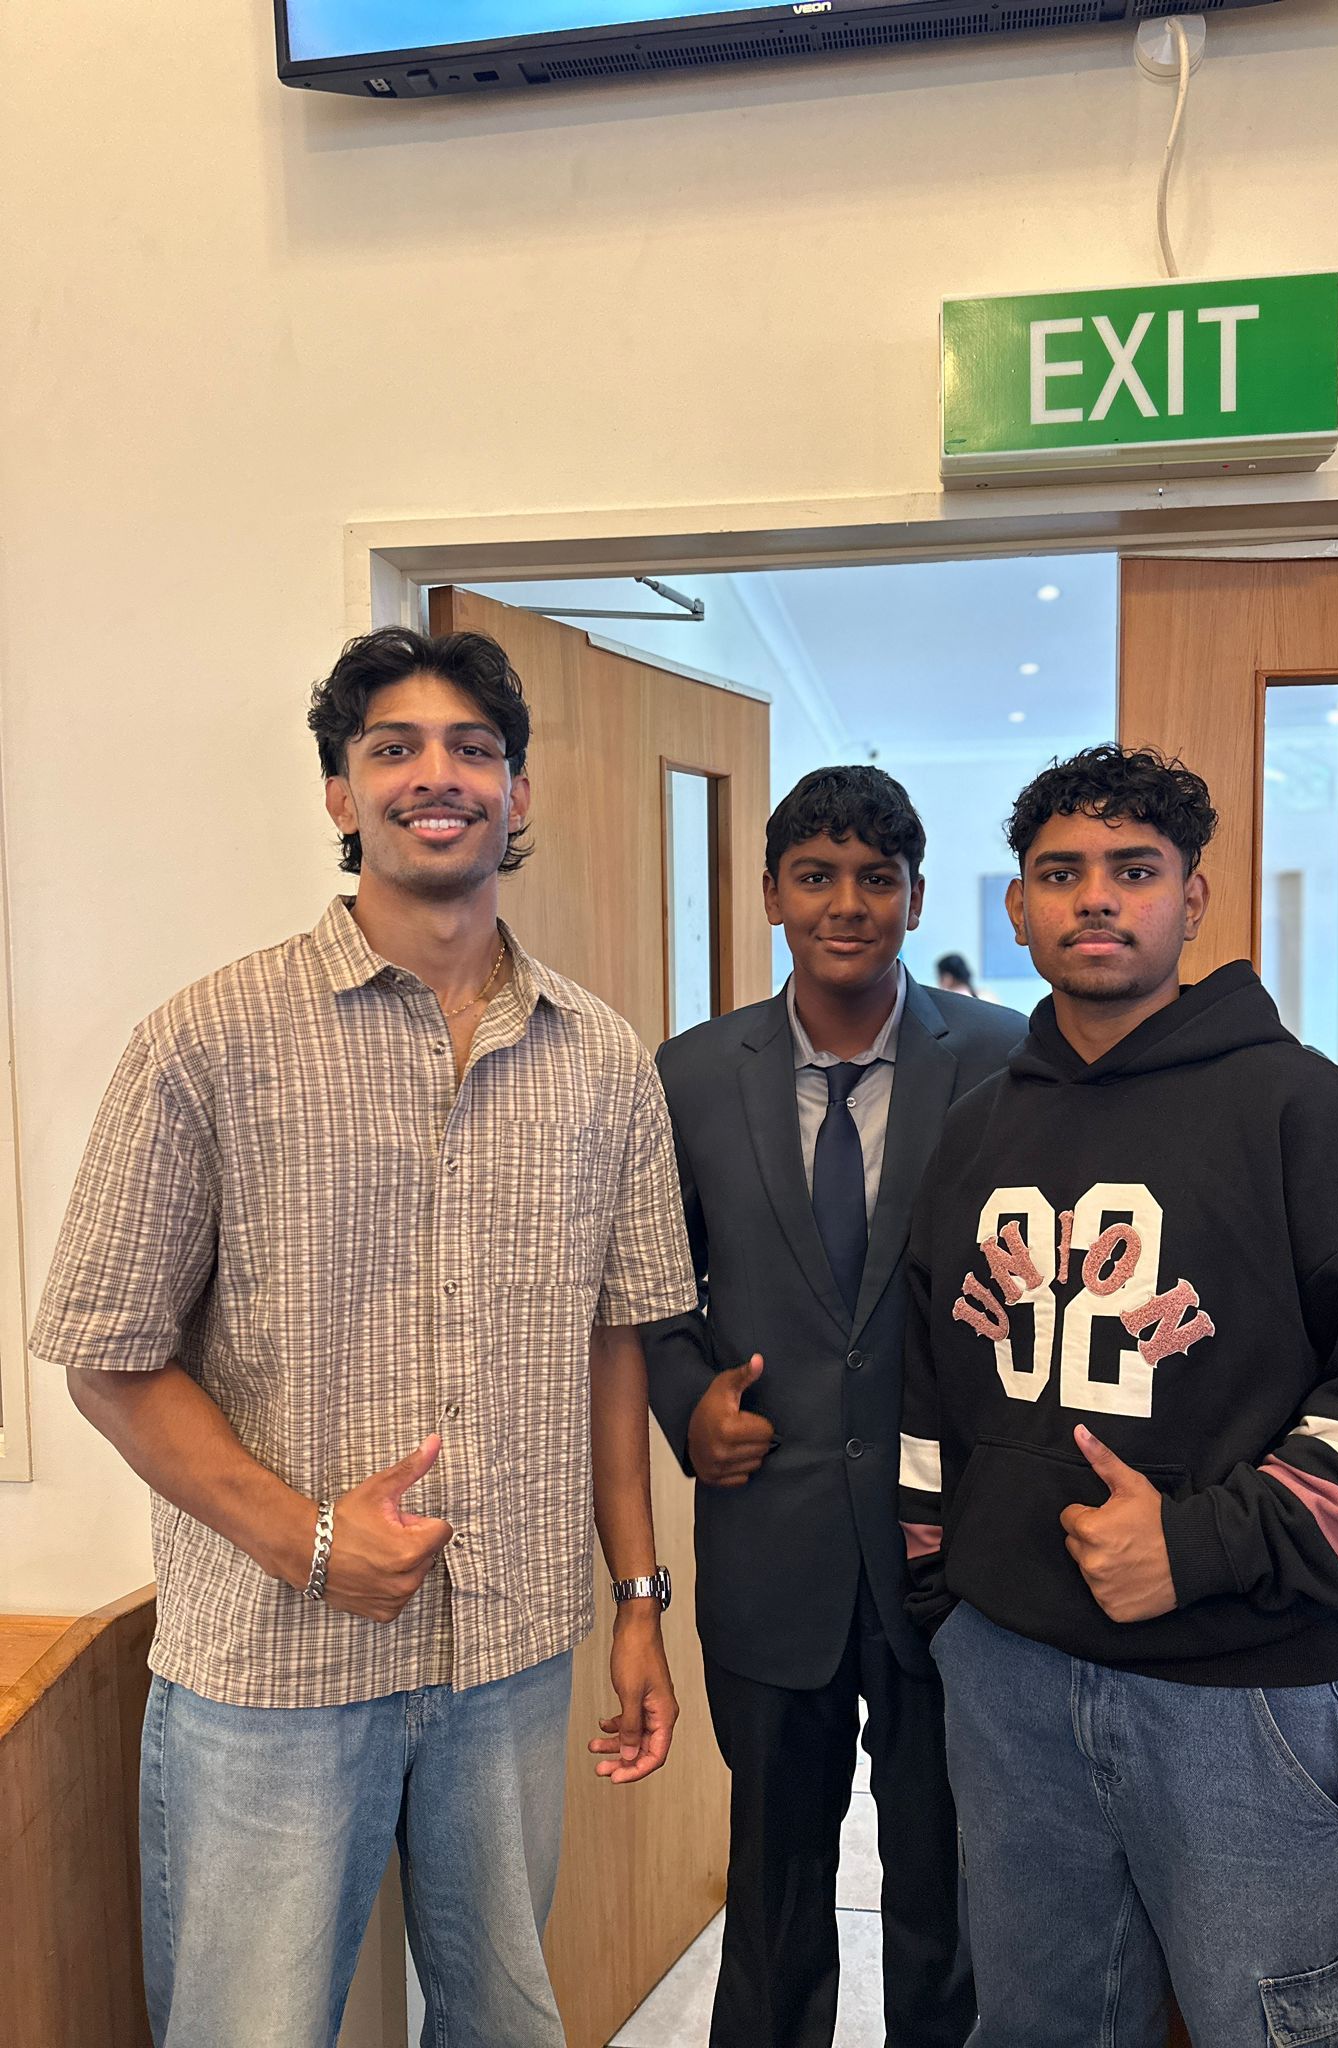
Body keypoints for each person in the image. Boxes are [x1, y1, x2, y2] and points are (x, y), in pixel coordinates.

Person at [30, 627, 697, 2048]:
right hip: (271, 1671)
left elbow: (612, 1349)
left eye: (472, 749)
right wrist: (306, 1539)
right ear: (340, 795)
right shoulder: (208, 1039)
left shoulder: (604, 1059)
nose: (435, 776)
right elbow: (107, 1352)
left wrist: (640, 1604)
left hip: (512, 1652)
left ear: (519, 793)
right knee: (249, 2030)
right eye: (393, 748)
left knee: (506, 2022)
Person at [899, 743, 1338, 2048]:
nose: (1096, 898)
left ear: (1195, 898)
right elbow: (925, 1397)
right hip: (1007, 1680)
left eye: (1134, 870)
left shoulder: (1306, 1115)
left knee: (1281, 2031)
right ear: (1017, 908)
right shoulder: (979, 1129)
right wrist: (949, 1595)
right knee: (1039, 2026)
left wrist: (1198, 1545)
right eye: (1062, 873)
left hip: (1243, 1697)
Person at [644, 766, 1028, 2048]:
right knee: (772, 1898)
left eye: (877, 878)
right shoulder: (689, 1076)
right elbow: (652, 1293)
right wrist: (689, 1403)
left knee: (947, 1894)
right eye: (816, 875)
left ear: (916, 899)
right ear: (771, 893)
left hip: (951, 1556)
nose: (846, 904)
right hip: (770, 1544)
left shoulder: (1006, 1060)